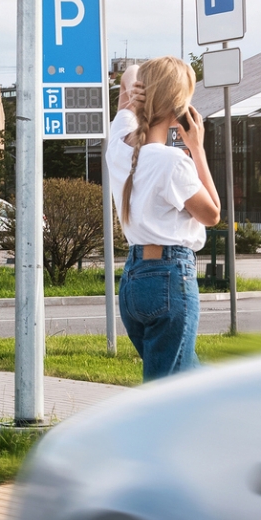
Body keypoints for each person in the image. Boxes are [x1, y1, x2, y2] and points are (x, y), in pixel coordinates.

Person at [103, 55, 221, 380]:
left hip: (133, 281)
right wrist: (197, 148)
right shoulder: (173, 162)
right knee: (168, 392)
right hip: (170, 279)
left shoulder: (119, 145)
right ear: (180, 108)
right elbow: (212, 213)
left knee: (190, 378)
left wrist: (134, 96)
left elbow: (128, 76)